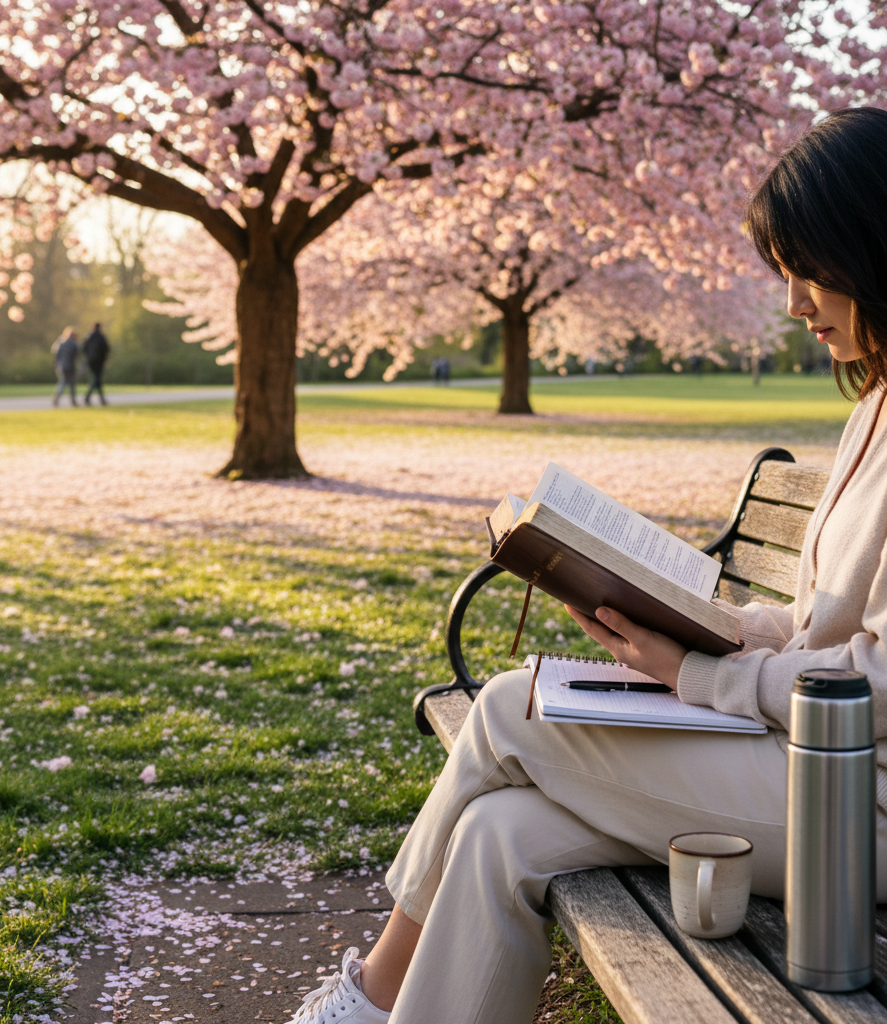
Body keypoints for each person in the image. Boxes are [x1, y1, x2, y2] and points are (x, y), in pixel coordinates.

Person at [282, 106, 887, 1024]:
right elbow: (827, 627)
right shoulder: (874, 405)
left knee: (505, 710)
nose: (795, 303)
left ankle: (365, 999)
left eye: (809, 270)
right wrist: (703, 623)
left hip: (856, 811)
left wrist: (698, 670)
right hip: (804, 766)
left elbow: (874, 682)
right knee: (499, 832)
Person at [83, 322, 111, 406]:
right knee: (96, 379)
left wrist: (87, 358)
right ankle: (88, 397)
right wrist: (105, 360)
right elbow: (106, 349)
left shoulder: (88, 337)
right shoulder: (101, 337)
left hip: (91, 362)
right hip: (99, 362)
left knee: (97, 380)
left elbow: (84, 349)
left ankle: (101, 400)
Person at [51, 327, 79, 407]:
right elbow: (76, 354)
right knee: (72, 384)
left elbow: (56, 354)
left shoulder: (61, 344)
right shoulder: (73, 344)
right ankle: (73, 401)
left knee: (62, 383)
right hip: (70, 366)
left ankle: (56, 398)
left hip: (62, 366)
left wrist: (56, 364)